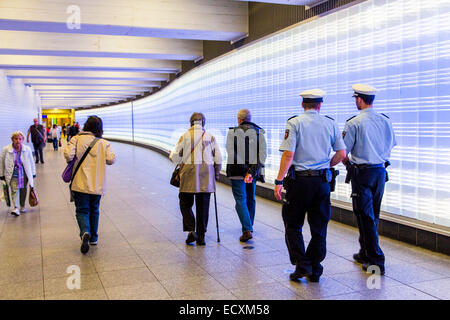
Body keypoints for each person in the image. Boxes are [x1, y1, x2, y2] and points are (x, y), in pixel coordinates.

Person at [274, 89, 346, 283]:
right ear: (320, 105)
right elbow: (341, 153)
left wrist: (279, 181)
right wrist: (325, 166)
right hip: (322, 182)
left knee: (293, 224)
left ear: (302, 105)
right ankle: (314, 267)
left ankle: (302, 264)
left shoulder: (294, 122)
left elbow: (288, 154)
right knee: (319, 226)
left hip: (299, 182)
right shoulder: (330, 123)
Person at [342, 84, 397, 275]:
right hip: (380, 172)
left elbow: (343, 150)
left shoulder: (354, 123)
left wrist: (347, 164)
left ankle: (376, 261)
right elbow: (392, 144)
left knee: (364, 216)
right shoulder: (385, 121)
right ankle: (365, 252)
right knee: (372, 214)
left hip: (362, 174)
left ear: (359, 99)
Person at [64, 116, 115, 254]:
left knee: (82, 210)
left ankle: (85, 231)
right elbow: (111, 160)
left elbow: (68, 156)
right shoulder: (104, 143)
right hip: (97, 183)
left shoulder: (76, 139)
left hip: (79, 183)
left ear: (86, 126)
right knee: (95, 209)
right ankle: (93, 238)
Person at [170, 112, 222, 246]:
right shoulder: (210, 137)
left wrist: (172, 155)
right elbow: (219, 159)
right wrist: (215, 175)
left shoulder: (185, 136)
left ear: (191, 123)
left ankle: (191, 230)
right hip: (206, 177)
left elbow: (176, 158)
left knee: (185, 204)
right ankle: (202, 236)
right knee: (203, 206)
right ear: (203, 123)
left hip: (188, 175)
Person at [226, 109, 267, 242]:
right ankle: (249, 226)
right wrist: (251, 171)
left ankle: (247, 229)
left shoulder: (232, 133)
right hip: (253, 174)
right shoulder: (259, 133)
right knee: (250, 199)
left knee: (240, 200)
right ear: (249, 118)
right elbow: (262, 155)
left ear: (239, 119)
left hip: (237, 173)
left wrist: (245, 171)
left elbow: (232, 154)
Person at [0, 131, 36, 216]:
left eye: (20, 139)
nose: (18, 141)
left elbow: (31, 162)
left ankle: (22, 206)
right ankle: (15, 207)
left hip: (24, 173)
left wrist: (33, 173)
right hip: (12, 172)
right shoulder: (6, 149)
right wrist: (1, 175)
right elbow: (1, 163)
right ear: (12, 139)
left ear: (23, 139)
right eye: (16, 139)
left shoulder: (27, 149)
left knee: (23, 190)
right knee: (14, 190)